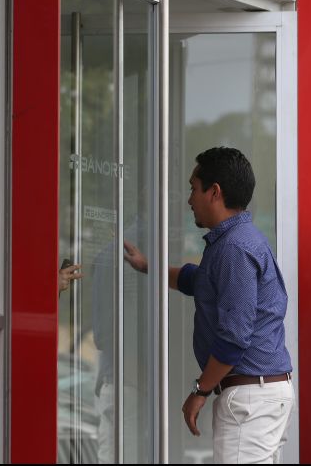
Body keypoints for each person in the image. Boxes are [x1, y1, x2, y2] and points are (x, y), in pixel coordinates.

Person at [124, 147, 294, 463]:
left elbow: (234, 338)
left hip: (250, 400)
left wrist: (199, 391)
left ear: (214, 192)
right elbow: (197, 281)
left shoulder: (234, 249)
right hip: (259, 396)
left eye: (193, 188)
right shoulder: (237, 240)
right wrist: (148, 266)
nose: (189, 199)